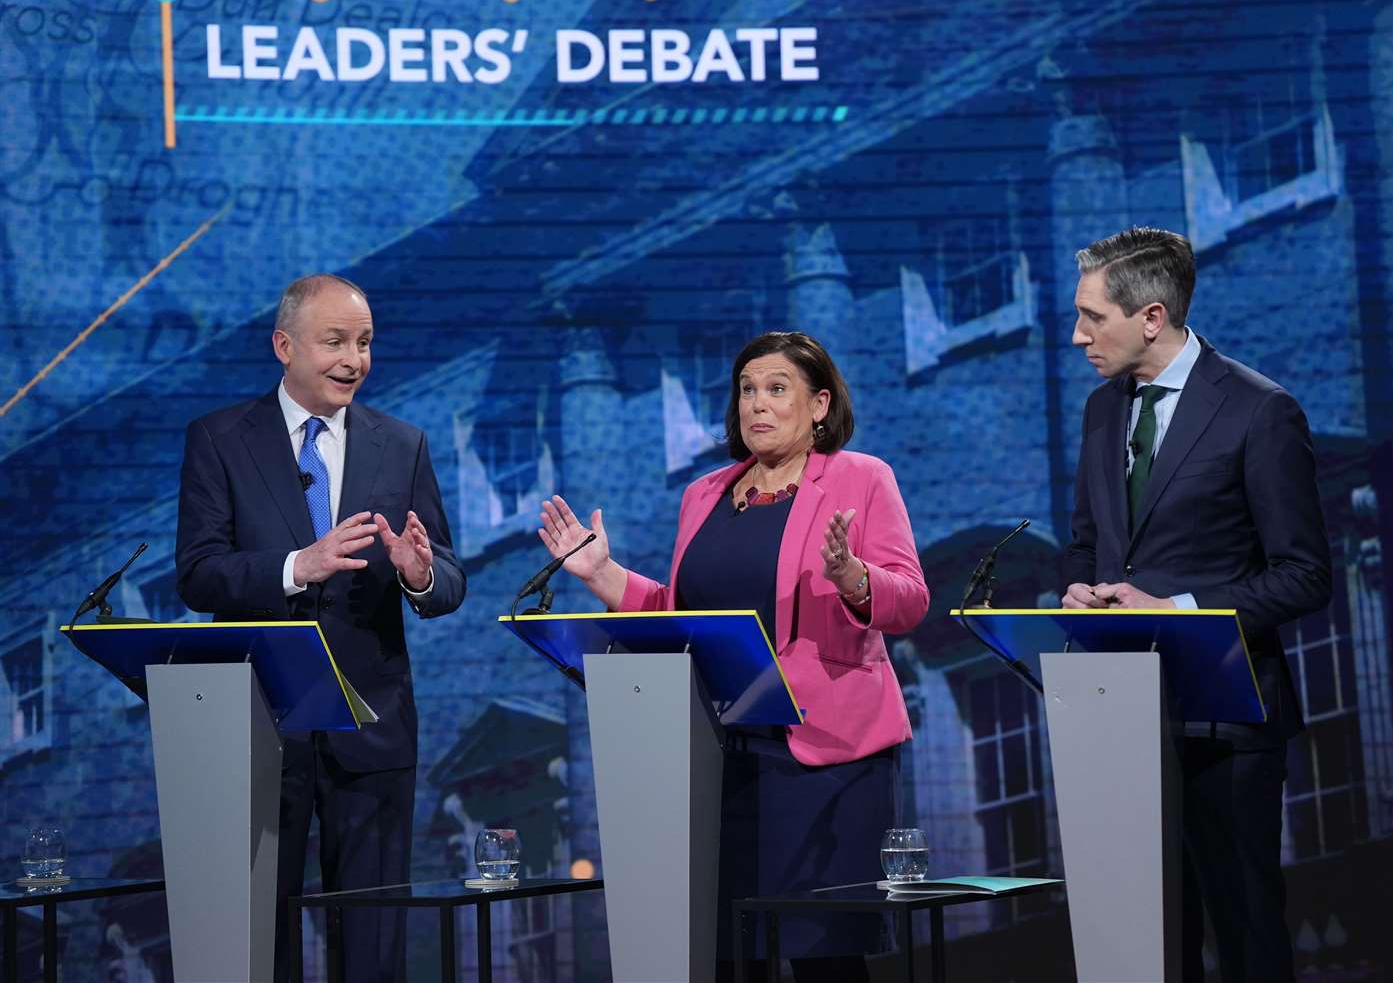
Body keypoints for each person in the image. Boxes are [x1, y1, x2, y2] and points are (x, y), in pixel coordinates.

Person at [537, 331, 929, 983]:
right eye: (747, 390)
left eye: (777, 389)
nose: (757, 405)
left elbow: (910, 600)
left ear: (820, 404)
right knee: (721, 948)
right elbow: (683, 614)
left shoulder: (862, 479)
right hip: (718, 753)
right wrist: (603, 576)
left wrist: (856, 579)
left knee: (822, 955)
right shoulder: (705, 493)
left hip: (825, 755)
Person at [175, 274, 465, 983]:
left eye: (364, 343)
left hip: (370, 729)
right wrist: (296, 566)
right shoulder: (219, 439)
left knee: (372, 943)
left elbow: (449, 580)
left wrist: (419, 572)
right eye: (334, 341)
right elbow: (199, 572)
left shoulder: (402, 444)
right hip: (257, 725)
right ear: (284, 345)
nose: (353, 359)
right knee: (250, 940)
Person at [1059, 228, 1331, 983]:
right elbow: (1088, 542)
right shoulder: (1100, 411)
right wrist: (1078, 586)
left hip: (1226, 720)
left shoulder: (1259, 411)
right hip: (1121, 717)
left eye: (1092, 317)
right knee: (1141, 945)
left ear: (1151, 316)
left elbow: (1304, 575)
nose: (1078, 335)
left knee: (1244, 932)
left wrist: (1175, 608)